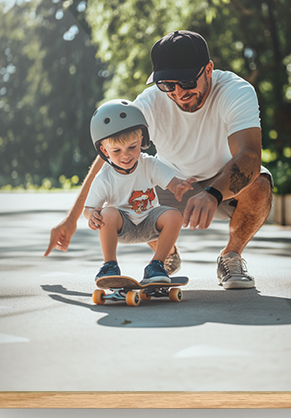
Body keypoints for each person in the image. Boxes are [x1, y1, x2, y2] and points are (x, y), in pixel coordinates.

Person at [45, 30, 273, 288]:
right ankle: (165, 256)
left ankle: (231, 256)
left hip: (223, 185)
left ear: (208, 69)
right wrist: (72, 219)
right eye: (167, 85)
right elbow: (108, 157)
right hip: (169, 184)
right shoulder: (150, 103)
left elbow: (250, 155)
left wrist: (212, 193)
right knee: (122, 182)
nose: (178, 93)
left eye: (187, 82)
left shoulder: (235, 91)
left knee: (260, 184)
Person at [79, 100, 185, 287]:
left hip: (150, 221)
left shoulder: (149, 164)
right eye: (116, 150)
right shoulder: (105, 177)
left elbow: (172, 181)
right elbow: (88, 209)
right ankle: (110, 265)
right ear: (104, 151)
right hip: (123, 226)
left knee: (174, 216)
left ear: (142, 141)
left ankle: (156, 265)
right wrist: (92, 216)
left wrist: (179, 187)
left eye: (132, 147)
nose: (125, 155)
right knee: (108, 212)